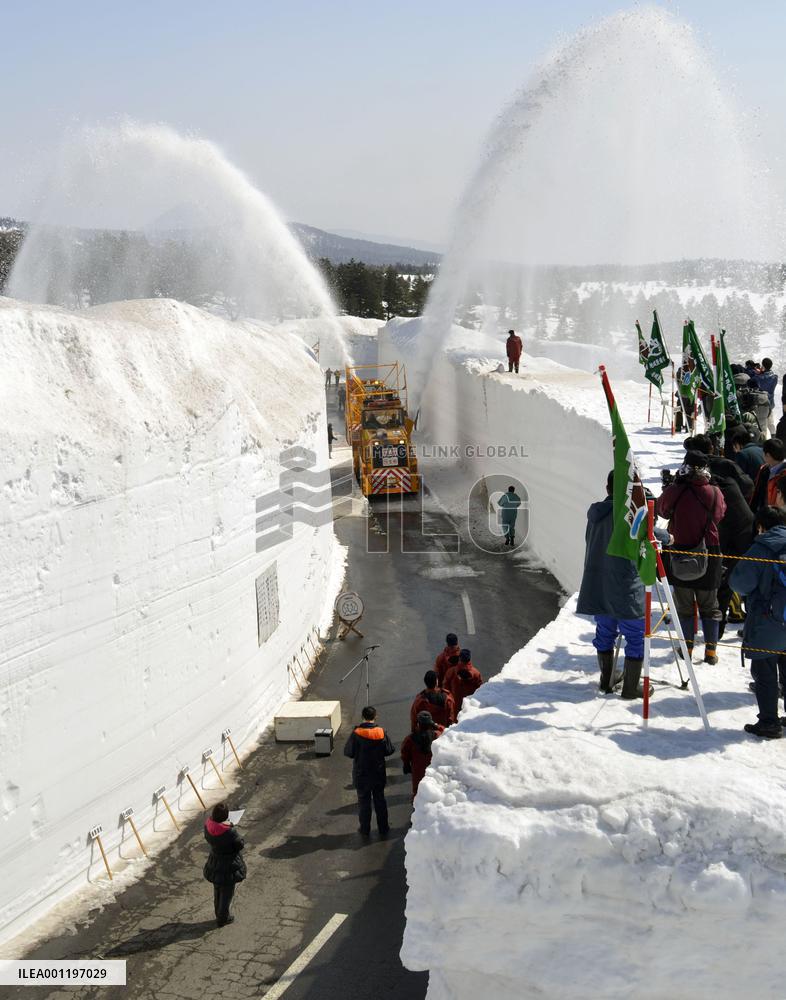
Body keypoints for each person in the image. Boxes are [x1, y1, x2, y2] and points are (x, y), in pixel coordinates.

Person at [577, 470, 648, 696]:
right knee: (635, 635)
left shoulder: (596, 513)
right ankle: (631, 687)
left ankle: (606, 679)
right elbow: (650, 537)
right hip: (626, 584)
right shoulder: (630, 515)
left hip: (599, 583)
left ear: (607, 488)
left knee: (605, 631)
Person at [658, 451, 726, 664]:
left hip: (680, 550)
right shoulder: (714, 492)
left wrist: (672, 487)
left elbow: (662, 510)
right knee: (710, 605)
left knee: (684, 605)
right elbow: (719, 514)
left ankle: (687, 648)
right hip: (709, 552)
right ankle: (711, 652)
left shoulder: (676, 490)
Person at [730, 506, 786, 739]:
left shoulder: (762, 547)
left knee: (764, 672)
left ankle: (769, 723)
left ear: (761, 525)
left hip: (768, 618)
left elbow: (740, 583)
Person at [343, 706, 395, 836]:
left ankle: (365, 829)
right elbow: (389, 750)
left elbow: (348, 752)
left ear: (363, 717)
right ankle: (383, 828)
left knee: (364, 803)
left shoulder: (357, 734)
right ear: (375, 716)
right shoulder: (381, 732)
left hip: (362, 774)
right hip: (378, 773)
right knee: (380, 801)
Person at [203, 802, 246, 927]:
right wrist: (231, 826)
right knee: (227, 893)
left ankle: (218, 913)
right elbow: (239, 844)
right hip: (228, 865)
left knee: (217, 890)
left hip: (215, 861)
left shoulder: (208, 826)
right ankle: (223, 918)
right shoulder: (229, 832)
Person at [688, 434, 753, 502]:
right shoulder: (727, 464)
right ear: (712, 448)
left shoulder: (685, 472)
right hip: (727, 507)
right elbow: (747, 484)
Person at [401, 711, 444, 798]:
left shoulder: (410, 739)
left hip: (417, 769)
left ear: (418, 723)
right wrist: (436, 725)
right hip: (433, 768)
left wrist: (406, 764)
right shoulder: (437, 735)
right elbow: (445, 731)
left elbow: (404, 753)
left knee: (417, 792)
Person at [750, 438, 786, 512]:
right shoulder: (764, 469)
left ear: (767, 455)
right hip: (765, 514)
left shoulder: (784, 474)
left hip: (779, 517)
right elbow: (757, 493)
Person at [445, 649, 483, 715]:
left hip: (455, 704)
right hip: (470, 706)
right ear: (469, 659)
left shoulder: (451, 671)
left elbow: (445, 687)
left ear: (460, 658)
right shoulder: (476, 673)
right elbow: (481, 689)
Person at [750, 357, 778, 435]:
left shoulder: (758, 378)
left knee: (762, 426)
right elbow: (768, 375)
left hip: (761, 404)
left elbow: (753, 381)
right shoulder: (775, 377)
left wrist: (758, 373)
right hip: (770, 403)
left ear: (763, 366)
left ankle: (764, 443)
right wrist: (762, 371)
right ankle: (774, 437)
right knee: (771, 423)